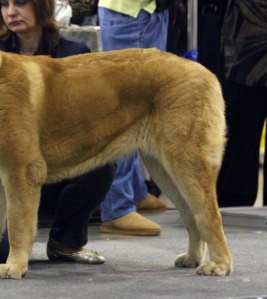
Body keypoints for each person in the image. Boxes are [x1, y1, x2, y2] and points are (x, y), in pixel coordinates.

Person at [0, 0, 115, 266]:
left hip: (49, 161)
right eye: (4, 5)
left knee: (103, 162)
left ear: (43, 7)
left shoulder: (75, 52)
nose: (11, 12)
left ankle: (65, 243)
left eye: (20, 3)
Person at [97, 0, 170, 236]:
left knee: (143, 108)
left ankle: (135, 192)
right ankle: (117, 208)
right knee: (129, 113)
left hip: (146, 11)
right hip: (131, 12)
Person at [217, 0, 267, 208]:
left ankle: (232, 200)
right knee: (241, 126)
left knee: (241, 125)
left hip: (246, 43)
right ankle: (232, 201)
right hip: (247, 44)